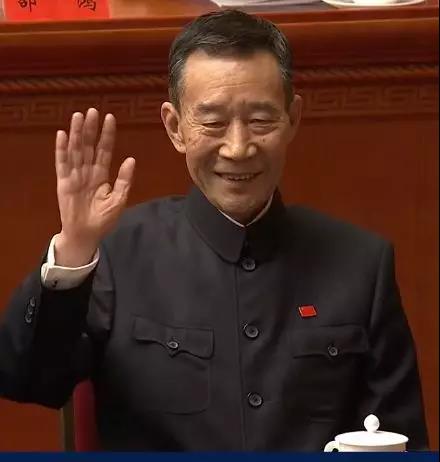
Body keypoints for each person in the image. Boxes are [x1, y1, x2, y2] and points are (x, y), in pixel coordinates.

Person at [0, 10, 428, 451]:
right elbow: (28, 380)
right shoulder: (114, 255)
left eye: (260, 120)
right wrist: (73, 249)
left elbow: (401, 440)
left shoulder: (361, 265)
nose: (238, 148)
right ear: (175, 127)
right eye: (213, 122)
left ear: (293, 119)